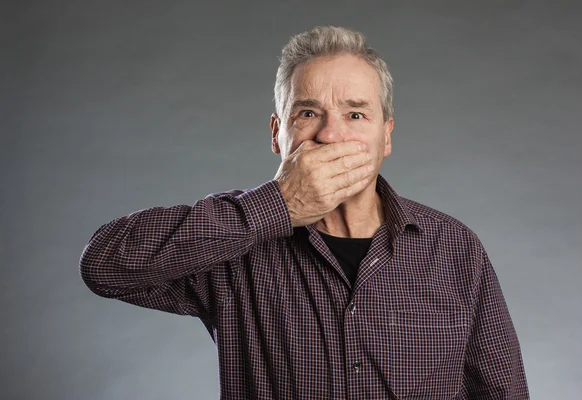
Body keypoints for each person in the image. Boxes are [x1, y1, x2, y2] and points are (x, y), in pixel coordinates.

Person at [80, 26, 529, 399]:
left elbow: (502, 392)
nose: (331, 135)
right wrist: (276, 205)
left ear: (386, 137)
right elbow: (104, 264)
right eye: (309, 113)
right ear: (278, 134)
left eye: (356, 115)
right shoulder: (232, 247)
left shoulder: (454, 249)